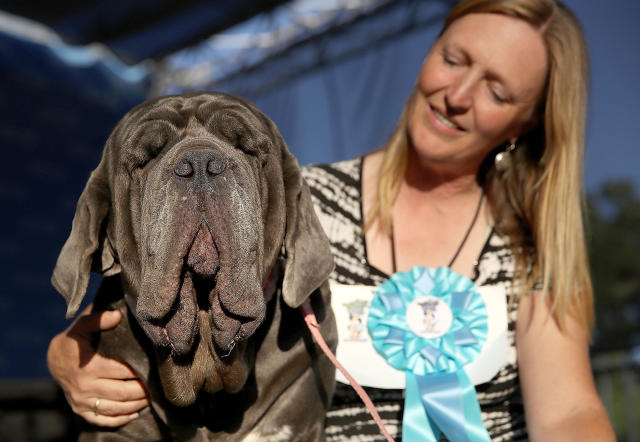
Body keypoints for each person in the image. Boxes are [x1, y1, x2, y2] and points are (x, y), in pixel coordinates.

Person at [48, 0, 615, 440]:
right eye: (454, 59)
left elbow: (567, 413)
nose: (457, 94)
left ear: (524, 124)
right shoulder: (298, 197)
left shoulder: (534, 245)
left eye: (496, 89)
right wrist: (68, 356)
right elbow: (150, 290)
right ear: (430, 50)